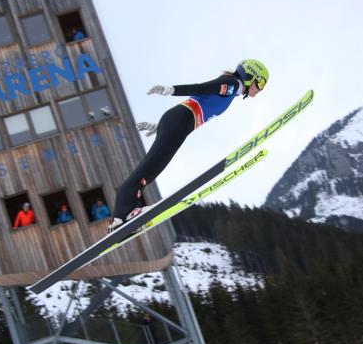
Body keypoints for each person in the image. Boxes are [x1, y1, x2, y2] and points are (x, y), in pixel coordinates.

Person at [107, 59, 269, 233]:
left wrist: (160, 127)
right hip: (179, 122)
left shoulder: (232, 91)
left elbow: (199, 100)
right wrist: (171, 90)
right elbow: (200, 88)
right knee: (148, 169)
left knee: (152, 169)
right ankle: (124, 213)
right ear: (249, 76)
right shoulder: (231, 85)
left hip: (178, 124)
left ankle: (122, 216)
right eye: (260, 83)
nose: (260, 89)